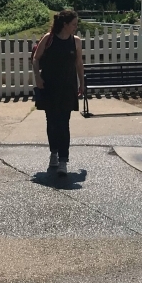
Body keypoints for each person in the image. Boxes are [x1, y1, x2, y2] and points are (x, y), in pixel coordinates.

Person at [32, 10, 85, 177]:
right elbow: (35, 58)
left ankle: (63, 160)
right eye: (74, 24)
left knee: (64, 123)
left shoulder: (75, 41)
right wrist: (38, 78)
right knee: (52, 122)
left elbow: (79, 63)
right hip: (50, 86)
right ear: (65, 24)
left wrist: (82, 83)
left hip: (68, 87)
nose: (76, 27)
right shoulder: (49, 39)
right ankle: (53, 152)